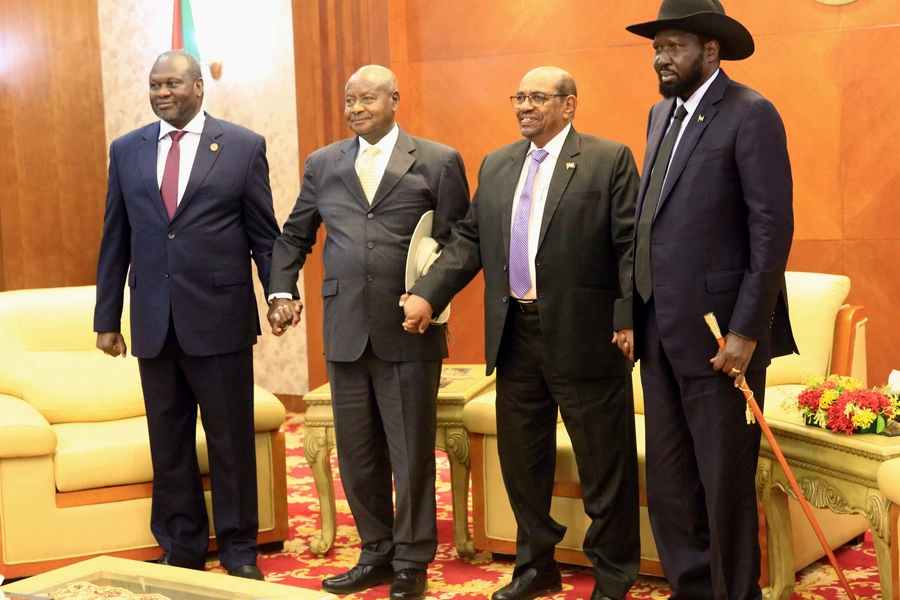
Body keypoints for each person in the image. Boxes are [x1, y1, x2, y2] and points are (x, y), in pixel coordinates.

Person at [400, 67, 640, 600]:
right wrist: (428, 293)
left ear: (569, 105)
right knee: (523, 461)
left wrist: (628, 317)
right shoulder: (499, 163)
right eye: (519, 96)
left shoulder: (607, 159)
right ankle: (536, 566)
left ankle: (613, 572)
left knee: (604, 462)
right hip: (516, 336)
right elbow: (467, 240)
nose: (524, 106)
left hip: (587, 337)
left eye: (537, 97)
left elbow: (630, 245)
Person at [266, 65, 469, 600]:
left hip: (410, 328)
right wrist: (282, 292)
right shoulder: (323, 163)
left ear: (395, 99)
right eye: (349, 100)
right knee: (357, 454)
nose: (355, 108)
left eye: (367, 98)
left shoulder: (438, 160)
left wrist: (432, 293)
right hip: (346, 327)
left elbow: (460, 244)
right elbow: (294, 236)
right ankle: (375, 553)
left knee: (410, 453)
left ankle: (411, 561)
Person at [623, 1, 797, 598]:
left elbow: (770, 229)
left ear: (710, 50)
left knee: (722, 486)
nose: (661, 58)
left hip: (722, 338)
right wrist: (630, 313)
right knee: (672, 487)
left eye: (673, 47)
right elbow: (647, 224)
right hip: (659, 335)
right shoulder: (658, 115)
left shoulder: (750, 113)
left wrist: (747, 329)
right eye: (657, 48)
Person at [94, 50, 279, 580]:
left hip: (219, 318)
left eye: (172, 83)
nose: (162, 92)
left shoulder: (242, 146)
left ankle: (240, 550)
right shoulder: (126, 150)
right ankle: (183, 548)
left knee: (229, 441)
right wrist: (108, 317)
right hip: (154, 320)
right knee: (168, 442)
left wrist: (278, 295)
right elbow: (116, 239)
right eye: (154, 85)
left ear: (199, 87)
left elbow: (264, 236)